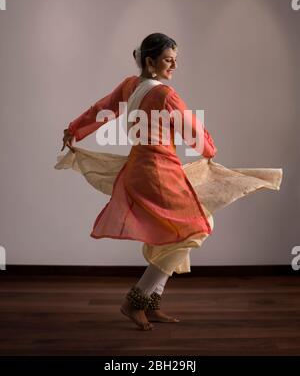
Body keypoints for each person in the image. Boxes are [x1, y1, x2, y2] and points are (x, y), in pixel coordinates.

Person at [59, 33, 282, 331]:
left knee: (171, 233)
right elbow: (195, 133)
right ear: (150, 61)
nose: (174, 65)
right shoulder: (165, 95)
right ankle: (135, 301)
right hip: (157, 172)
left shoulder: (130, 85)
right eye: (168, 60)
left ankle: (152, 304)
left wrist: (74, 129)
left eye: (176, 60)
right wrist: (210, 150)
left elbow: (102, 110)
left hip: (140, 168)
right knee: (197, 227)